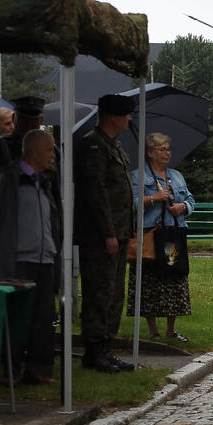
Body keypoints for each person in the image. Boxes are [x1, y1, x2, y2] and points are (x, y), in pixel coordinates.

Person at [76, 93, 136, 373]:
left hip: (120, 231)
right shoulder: (93, 146)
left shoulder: (114, 146)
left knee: (114, 294)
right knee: (99, 292)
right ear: (112, 115)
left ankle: (106, 347)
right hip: (101, 235)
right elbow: (96, 194)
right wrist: (108, 233)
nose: (130, 119)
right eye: (126, 114)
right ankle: (94, 348)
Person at [0, 129, 60, 383]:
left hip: (45, 258)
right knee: (16, 318)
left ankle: (39, 369)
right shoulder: (9, 178)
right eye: (48, 150)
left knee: (44, 317)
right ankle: (10, 370)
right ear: (32, 151)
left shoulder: (45, 180)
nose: (52, 156)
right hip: (19, 258)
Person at [128, 133, 195, 342]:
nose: (167, 153)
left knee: (174, 277)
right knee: (150, 281)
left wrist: (183, 207)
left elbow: (191, 199)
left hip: (172, 235)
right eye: (161, 149)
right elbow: (130, 204)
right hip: (150, 235)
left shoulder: (176, 176)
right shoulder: (138, 176)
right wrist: (152, 198)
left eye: (168, 148)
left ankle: (171, 329)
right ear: (150, 153)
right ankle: (152, 329)